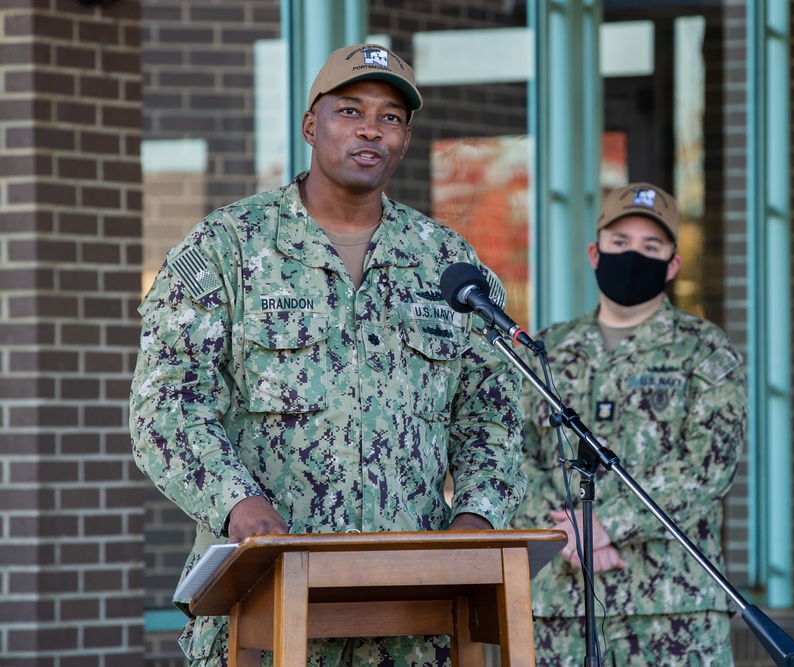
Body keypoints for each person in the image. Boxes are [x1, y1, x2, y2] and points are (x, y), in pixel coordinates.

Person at [130, 43, 526, 667]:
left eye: (391, 117)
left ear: (405, 139)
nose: (371, 127)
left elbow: (493, 417)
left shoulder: (448, 264)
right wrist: (238, 501)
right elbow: (167, 408)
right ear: (311, 126)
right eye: (350, 109)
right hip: (265, 610)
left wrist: (478, 517)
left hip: (413, 620)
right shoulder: (228, 247)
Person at [510, 182, 747, 666]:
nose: (633, 255)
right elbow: (511, 458)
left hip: (671, 609)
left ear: (672, 264)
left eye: (650, 246)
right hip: (560, 606)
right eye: (620, 243)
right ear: (596, 253)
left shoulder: (705, 350)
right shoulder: (546, 350)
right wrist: (574, 530)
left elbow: (706, 469)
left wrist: (606, 524)